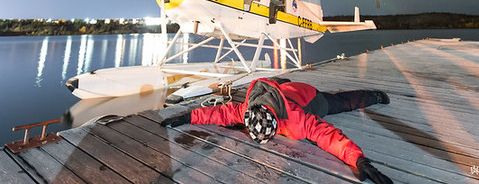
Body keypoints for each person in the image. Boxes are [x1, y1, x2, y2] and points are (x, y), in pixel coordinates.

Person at [160, 77, 393, 183]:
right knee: (279, 83)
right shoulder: (247, 109)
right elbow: (221, 112)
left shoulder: (297, 120)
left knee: (342, 103)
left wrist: (359, 160)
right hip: (284, 89)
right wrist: (188, 116)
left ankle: (374, 95)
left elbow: (328, 136)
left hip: (309, 97)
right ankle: (282, 82)